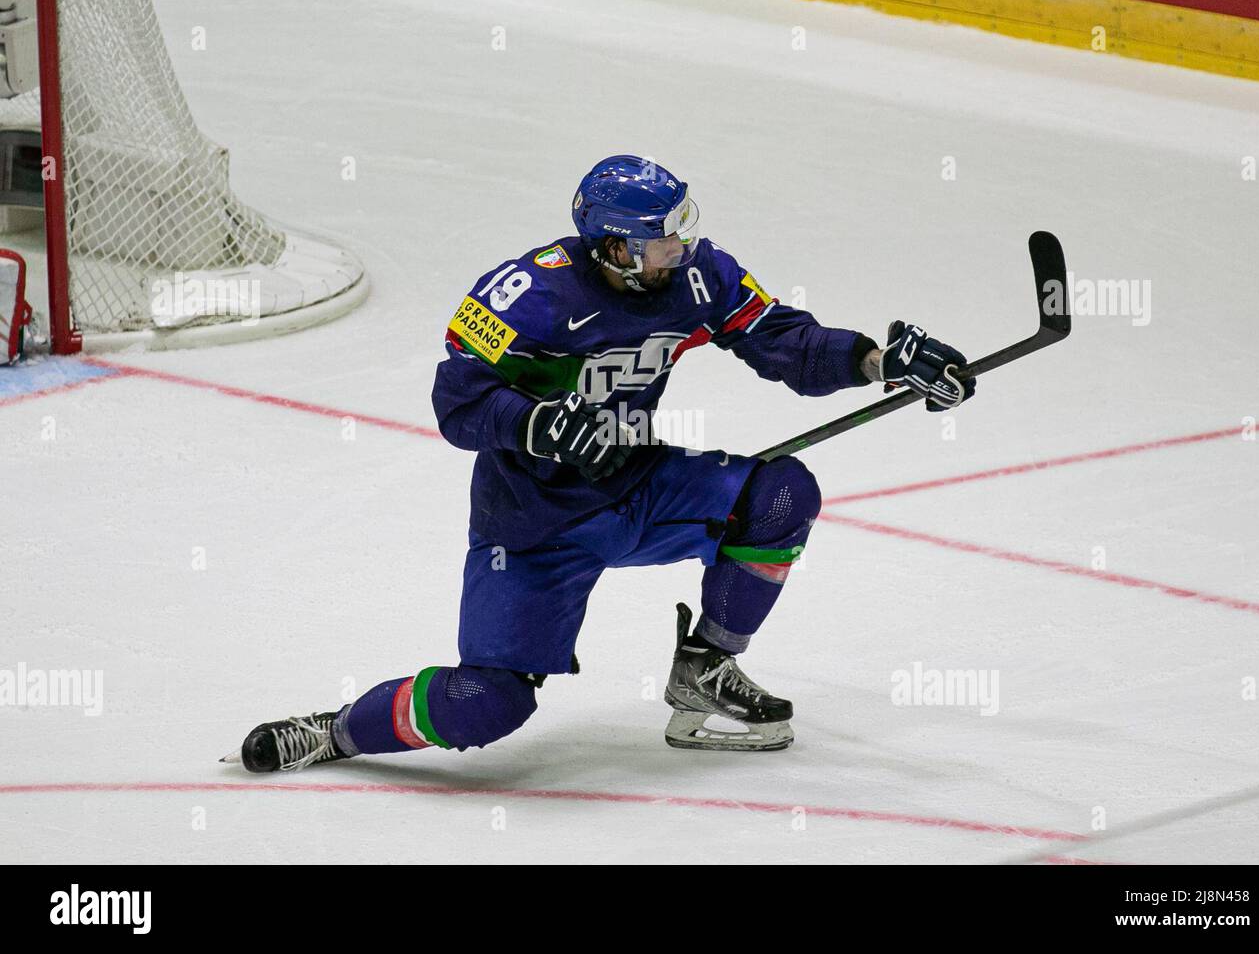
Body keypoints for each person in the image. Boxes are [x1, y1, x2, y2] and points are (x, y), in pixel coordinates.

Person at [226, 154, 976, 769]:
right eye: (661, 238)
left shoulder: (698, 277)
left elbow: (786, 342)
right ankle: (336, 731)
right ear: (616, 247)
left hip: (637, 488)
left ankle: (705, 667)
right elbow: (456, 401)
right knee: (487, 705)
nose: (679, 248)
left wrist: (880, 361)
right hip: (534, 525)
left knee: (779, 494)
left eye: (681, 229)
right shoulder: (528, 293)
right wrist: (541, 426)